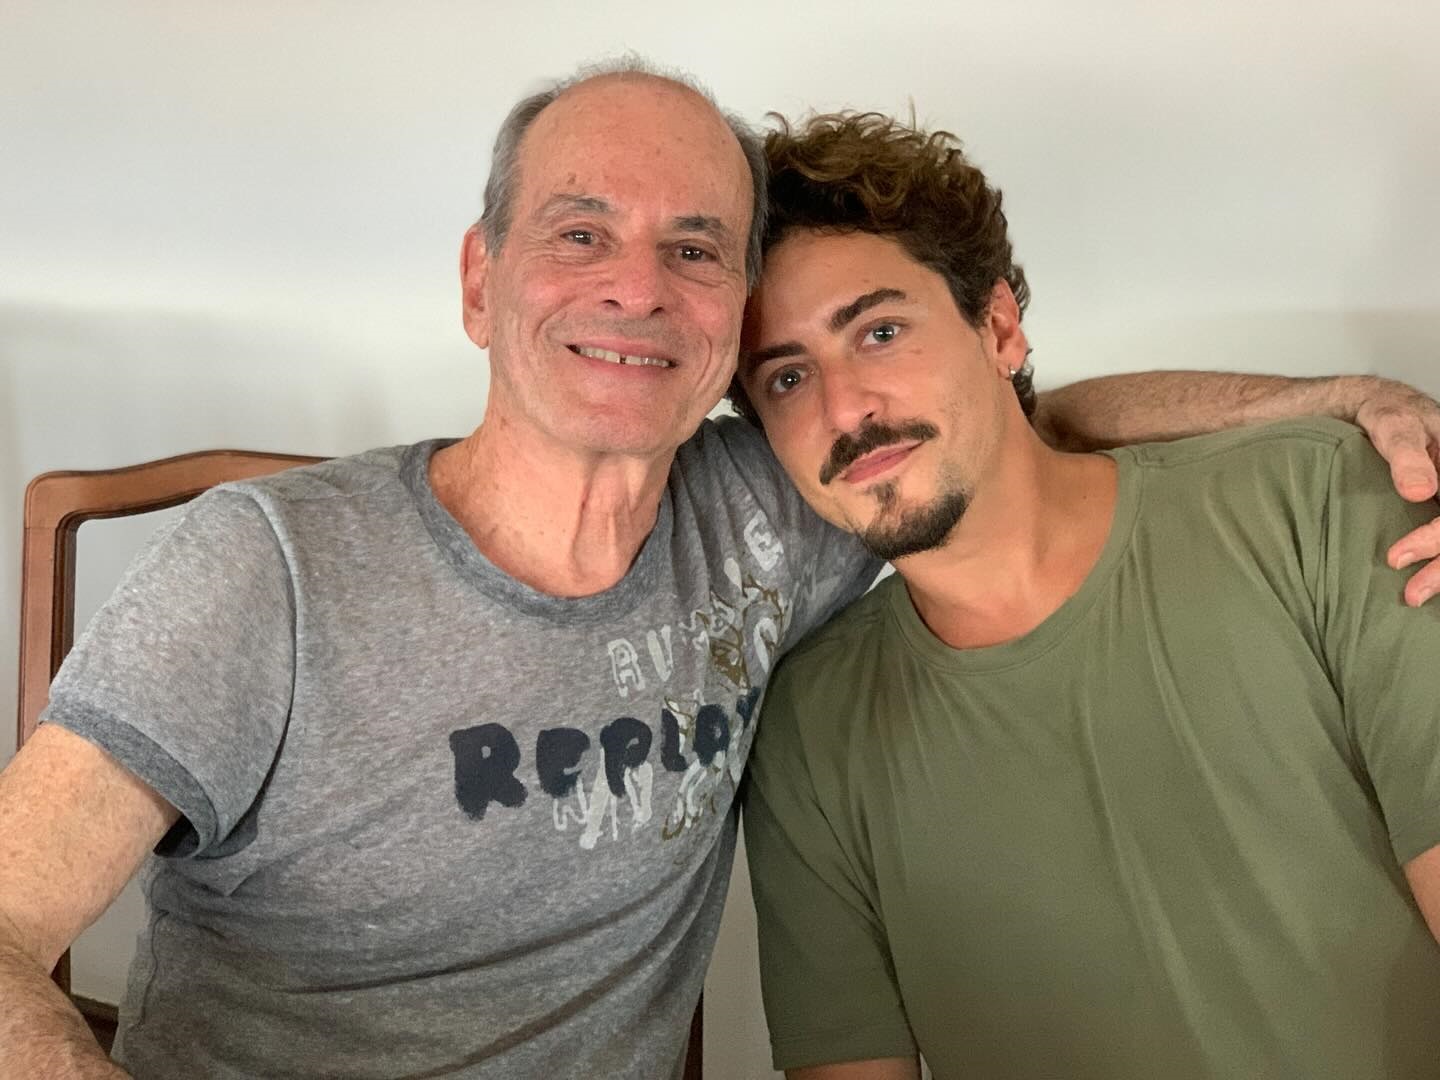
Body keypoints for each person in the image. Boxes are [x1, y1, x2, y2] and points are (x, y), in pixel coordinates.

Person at [0, 61, 1435, 1080]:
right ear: (480, 281)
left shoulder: (786, 499)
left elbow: (1030, 420)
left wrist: (1342, 404)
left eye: (694, 249)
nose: (637, 287)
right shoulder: (267, 565)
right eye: (581, 233)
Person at [735, 110, 1440, 1080]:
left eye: (881, 332)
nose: (843, 408)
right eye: (785, 378)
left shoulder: (1321, 502)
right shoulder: (808, 726)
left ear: (998, 328)